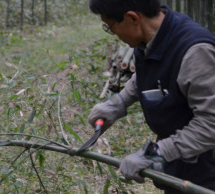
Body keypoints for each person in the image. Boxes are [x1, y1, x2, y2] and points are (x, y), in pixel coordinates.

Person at [87, 0, 215, 193]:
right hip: (183, 162)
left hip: (206, 167)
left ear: (132, 18)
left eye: (111, 26)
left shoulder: (194, 52)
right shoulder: (153, 38)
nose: (113, 33)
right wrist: (118, 102)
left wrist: (157, 153)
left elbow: (210, 123)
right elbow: (149, 71)